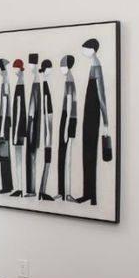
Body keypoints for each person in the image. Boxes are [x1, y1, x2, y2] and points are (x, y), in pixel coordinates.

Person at [76, 38, 109, 206]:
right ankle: (87, 193)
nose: (83, 51)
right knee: (86, 154)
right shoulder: (93, 66)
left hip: (93, 118)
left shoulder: (97, 67)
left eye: (85, 48)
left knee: (90, 154)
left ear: (92, 49)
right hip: (89, 117)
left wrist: (106, 123)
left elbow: (102, 97)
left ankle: (92, 196)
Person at [57, 55, 78, 201]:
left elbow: (70, 104)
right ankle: (62, 192)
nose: (61, 68)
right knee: (62, 155)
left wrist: (65, 128)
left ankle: (67, 192)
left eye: (62, 65)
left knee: (67, 156)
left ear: (67, 66)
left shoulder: (69, 80)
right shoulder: (68, 79)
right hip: (67, 118)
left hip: (69, 119)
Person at [37, 59, 55, 201]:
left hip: (48, 123)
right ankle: (42, 191)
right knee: (48, 157)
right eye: (50, 68)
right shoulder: (43, 84)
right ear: (46, 69)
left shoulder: (46, 83)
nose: (51, 71)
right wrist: (48, 133)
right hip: (47, 127)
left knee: (48, 158)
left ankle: (43, 190)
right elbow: (44, 108)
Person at [0, 59, 13, 194]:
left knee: (4, 154)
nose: (0, 72)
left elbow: (5, 102)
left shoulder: (5, 82)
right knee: (5, 154)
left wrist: (1, 128)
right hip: (5, 119)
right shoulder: (5, 81)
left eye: (0, 69)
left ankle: (6, 185)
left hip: (4, 119)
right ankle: (8, 185)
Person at [10, 58, 27, 198]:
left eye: (15, 68)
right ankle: (20, 187)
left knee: (18, 156)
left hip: (18, 128)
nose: (14, 70)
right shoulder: (20, 83)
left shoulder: (20, 84)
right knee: (18, 157)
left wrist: (15, 131)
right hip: (18, 127)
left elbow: (20, 109)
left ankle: (20, 188)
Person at [25, 54, 41, 199]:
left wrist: (29, 124)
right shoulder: (36, 81)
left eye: (30, 64)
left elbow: (33, 109)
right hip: (32, 127)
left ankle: (32, 189)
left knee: (32, 159)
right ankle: (31, 189)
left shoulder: (36, 82)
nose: (29, 66)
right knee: (31, 159)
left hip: (32, 128)